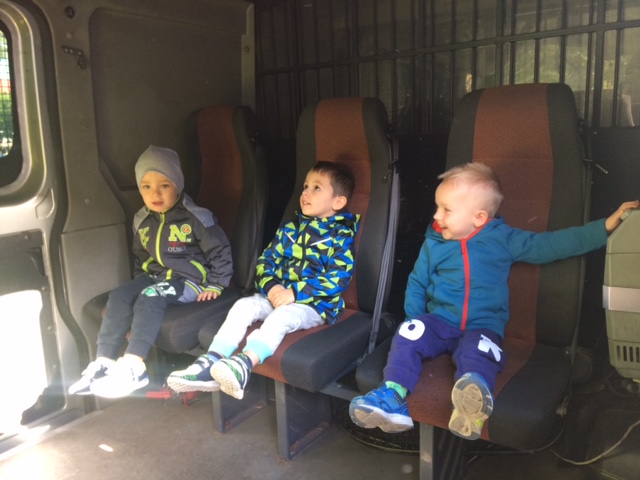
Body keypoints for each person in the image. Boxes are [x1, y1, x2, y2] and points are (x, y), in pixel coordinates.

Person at [349, 162, 639, 440]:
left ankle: (471, 403)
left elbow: (551, 245)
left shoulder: (502, 239)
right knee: (408, 334)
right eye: (437, 207)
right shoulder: (434, 243)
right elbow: (417, 283)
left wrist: (603, 228)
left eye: (446, 209)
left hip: (483, 325)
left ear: (478, 218)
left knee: (480, 352)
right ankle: (392, 396)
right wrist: (415, 319)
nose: (436, 215)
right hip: (440, 322)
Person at [167, 161, 360, 399]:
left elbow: (338, 279)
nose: (306, 192)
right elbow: (265, 262)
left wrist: (294, 293)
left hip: (314, 304)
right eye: (305, 186)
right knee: (244, 305)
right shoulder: (290, 229)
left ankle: (244, 364)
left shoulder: (340, 236)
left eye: (316, 188)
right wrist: (271, 287)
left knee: (281, 317)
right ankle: (211, 361)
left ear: (338, 202)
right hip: (276, 295)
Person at [68, 145, 233, 399]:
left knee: (150, 296)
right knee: (120, 295)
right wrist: (137, 285)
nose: (155, 193)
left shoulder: (196, 217)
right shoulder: (142, 220)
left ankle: (135, 366)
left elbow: (219, 250)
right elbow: (141, 256)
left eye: (164, 185)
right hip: (155, 277)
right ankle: (104, 362)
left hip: (189, 280)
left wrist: (216, 283)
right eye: (146, 186)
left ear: (177, 185)